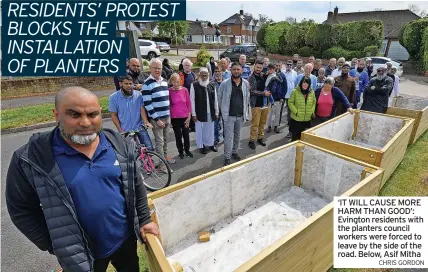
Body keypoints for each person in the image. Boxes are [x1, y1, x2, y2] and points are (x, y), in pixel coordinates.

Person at [6, 87, 159, 272]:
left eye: (93, 114)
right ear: (56, 115)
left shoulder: (118, 144)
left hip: (125, 241)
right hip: (81, 255)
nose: (85, 123)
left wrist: (144, 219)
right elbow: (20, 209)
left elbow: (135, 184)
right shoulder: (32, 158)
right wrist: (56, 245)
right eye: (74, 114)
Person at [142, 58, 175, 164]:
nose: (157, 70)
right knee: (159, 141)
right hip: (157, 118)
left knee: (166, 140)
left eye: (159, 68)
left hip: (167, 116)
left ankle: (165, 158)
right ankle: (162, 165)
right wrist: (157, 119)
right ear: (150, 68)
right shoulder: (147, 84)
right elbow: (148, 104)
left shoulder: (165, 82)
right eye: (155, 68)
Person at [218, 62, 250, 166]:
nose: (236, 71)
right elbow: (219, 98)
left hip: (240, 116)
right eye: (234, 69)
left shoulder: (245, 83)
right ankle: (227, 157)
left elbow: (247, 98)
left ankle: (234, 152)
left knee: (237, 136)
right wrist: (222, 111)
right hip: (229, 116)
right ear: (231, 70)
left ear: (241, 70)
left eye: (238, 69)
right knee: (228, 137)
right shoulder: (224, 84)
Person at [109, 76, 154, 151]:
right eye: (126, 84)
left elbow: (142, 109)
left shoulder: (138, 95)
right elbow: (114, 115)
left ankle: (147, 162)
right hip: (125, 129)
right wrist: (120, 131)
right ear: (120, 84)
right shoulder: (113, 97)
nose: (129, 86)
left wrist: (146, 122)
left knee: (149, 149)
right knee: (132, 153)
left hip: (139, 127)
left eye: (130, 84)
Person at [190, 68, 219, 154]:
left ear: (208, 75)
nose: (204, 77)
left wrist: (217, 112)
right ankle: (201, 145)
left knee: (210, 130)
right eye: (202, 75)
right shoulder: (194, 85)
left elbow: (216, 99)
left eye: (205, 75)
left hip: (211, 111)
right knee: (200, 130)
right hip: (199, 112)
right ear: (199, 75)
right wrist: (193, 114)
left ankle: (210, 144)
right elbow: (192, 100)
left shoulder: (212, 84)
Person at [168, 73, 193, 159]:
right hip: (175, 118)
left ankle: (187, 150)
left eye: (178, 82)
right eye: (174, 82)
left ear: (180, 81)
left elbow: (189, 104)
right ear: (171, 82)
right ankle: (180, 151)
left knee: (186, 135)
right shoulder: (169, 91)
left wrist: (189, 117)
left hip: (185, 117)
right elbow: (168, 105)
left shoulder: (185, 90)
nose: (176, 84)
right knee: (178, 136)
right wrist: (170, 119)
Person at [248, 60, 269, 149]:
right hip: (256, 104)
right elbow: (252, 91)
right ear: (254, 67)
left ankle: (260, 138)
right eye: (257, 67)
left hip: (265, 104)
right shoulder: (251, 78)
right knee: (255, 124)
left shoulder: (263, 76)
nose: (258, 69)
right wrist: (263, 94)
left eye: (260, 67)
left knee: (263, 123)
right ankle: (251, 140)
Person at [266, 63, 287, 133]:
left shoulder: (282, 75)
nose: (277, 67)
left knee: (277, 113)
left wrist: (282, 97)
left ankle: (276, 126)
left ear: (281, 66)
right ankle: (269, 126)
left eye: (279, 66)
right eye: (276, 65)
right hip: (270, 97)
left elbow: (285, 87)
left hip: (279, 98)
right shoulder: (268, 75)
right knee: (270, 113)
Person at [179, 58, 197, 132]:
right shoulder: (180, 75)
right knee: (185, 112)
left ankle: (192, 126)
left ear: (191, 66)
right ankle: (186, 125)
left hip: (192, 96)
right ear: (183, 66)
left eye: (188, 65)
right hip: (183, 97)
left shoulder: (193, 74)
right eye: (185, 65)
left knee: (192, 111)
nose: (187, 67)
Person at [284, 60, 297, 139]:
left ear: (292, 66)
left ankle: (290, 131)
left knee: (290, 113)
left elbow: (296, 84)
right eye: (287, 64)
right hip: (284, 95)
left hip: (292, 96)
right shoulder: (283, 73)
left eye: (290, 65)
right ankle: (275, 126)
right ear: (285, 65)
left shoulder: (295, 73)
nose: (289, 66)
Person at [211, 65, 224, 146]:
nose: (217, 73)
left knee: (225, 123)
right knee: (215, 123)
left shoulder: (226, 82)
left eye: (219, 71)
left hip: (224, 107)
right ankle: (216, 138)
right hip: (216, 108)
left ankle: (226, 137)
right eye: (216, 71)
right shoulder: (212, 83)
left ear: (222, 72)